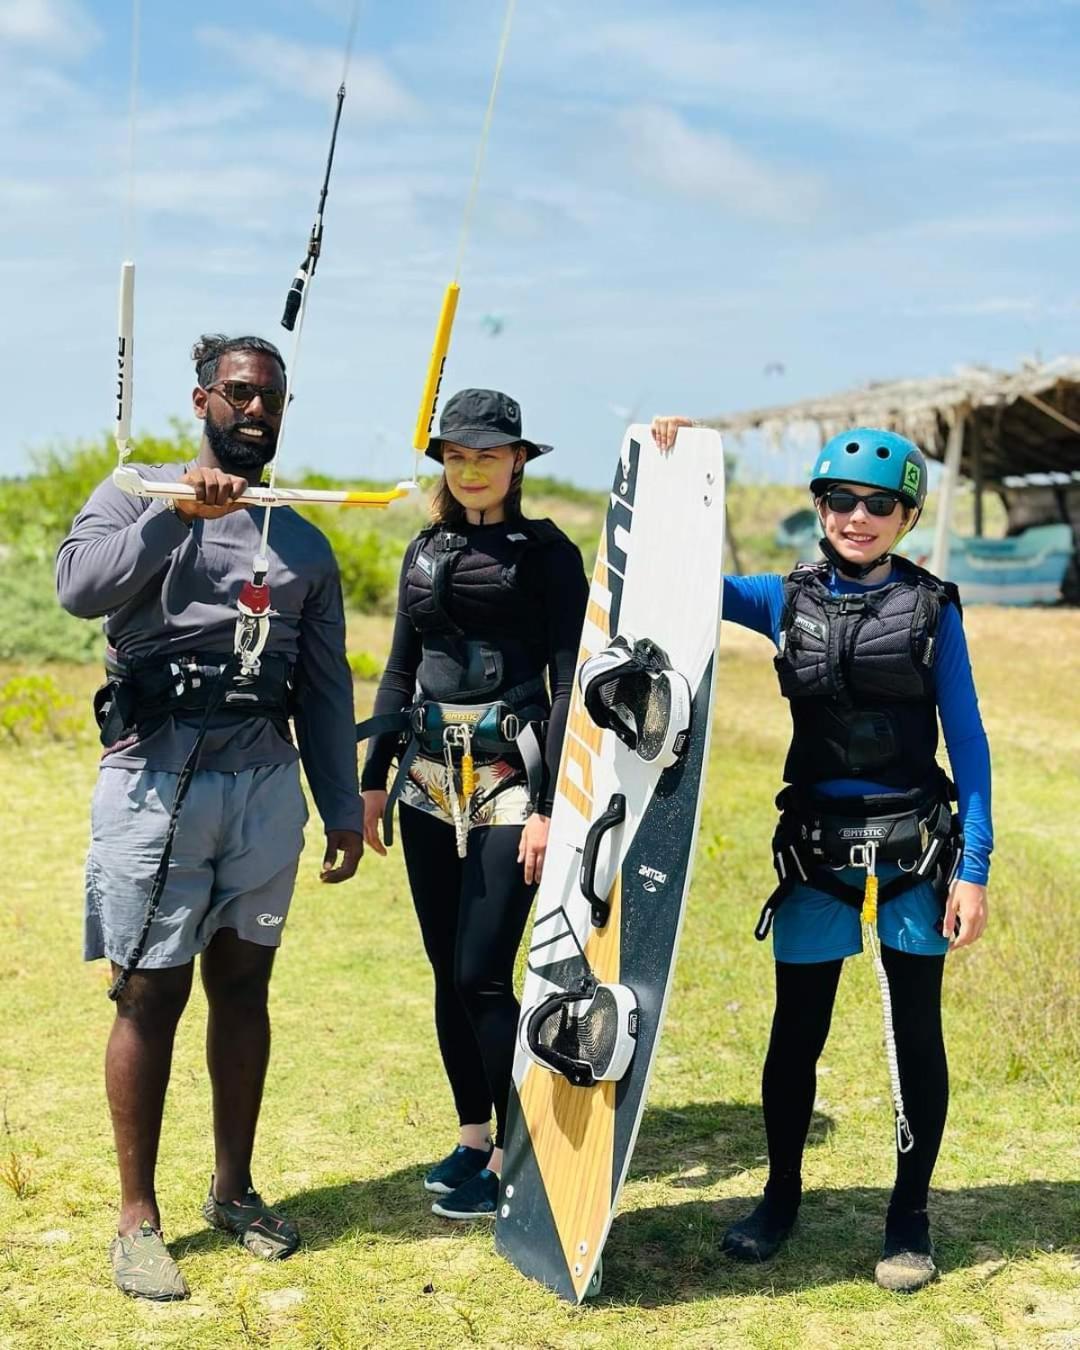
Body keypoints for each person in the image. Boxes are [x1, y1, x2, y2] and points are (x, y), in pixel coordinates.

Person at [652, 416, 992, 1292]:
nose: (857, 516)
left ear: (906, 517)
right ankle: (781, 1196)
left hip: (918, 851)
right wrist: (669, 465)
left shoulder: (932, 608)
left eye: (879, 504)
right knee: (795, 1031)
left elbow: (972, 747)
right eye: (840, 500)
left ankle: (909, 1216)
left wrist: (977, 869)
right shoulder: (780, 598)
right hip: (816, 852)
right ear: (818, 507)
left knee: (916, 1030)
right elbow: (678, 580)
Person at [56, 334, 364, 1301]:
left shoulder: (305, 541)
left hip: (264, 788)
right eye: (238, 393)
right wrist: (173, 517)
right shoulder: (133, 493)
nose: (256, 410)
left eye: (270, 395)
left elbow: (320, 689)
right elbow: (78, 590)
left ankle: (233, 1190)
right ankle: (137, 1216)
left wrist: (341, 804)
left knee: (245, 988)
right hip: (154, 779)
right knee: (149, 993)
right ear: (202, 401)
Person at [358, 388, 588, 1219]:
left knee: (480, 974)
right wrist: (374, 777)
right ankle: (471, 1136)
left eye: (489, 455)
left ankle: (521, 1151)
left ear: (518, 461)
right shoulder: (423, 550)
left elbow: (570, 684)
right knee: (444, 975)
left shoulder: (551, 554)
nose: (472, 468)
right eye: (458, 455)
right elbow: (397, 669)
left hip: (511, 779)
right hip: (424, 779)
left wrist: (549, 807)